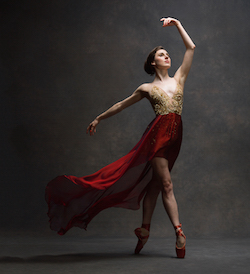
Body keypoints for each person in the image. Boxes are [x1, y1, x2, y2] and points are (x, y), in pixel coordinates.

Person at [45, 17, 195, 259]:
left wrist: (177, 25)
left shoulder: (179, 79)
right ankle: (179, 233)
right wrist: (99, 118)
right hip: (158, 137)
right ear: (153, 62)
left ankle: (144, 230)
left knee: (155, 187)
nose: (167, 57)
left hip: (175, 137)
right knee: (166, 184)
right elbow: (121, 105)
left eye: (168, 54)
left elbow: (191, 48)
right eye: (162, 55)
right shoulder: (146, 88)